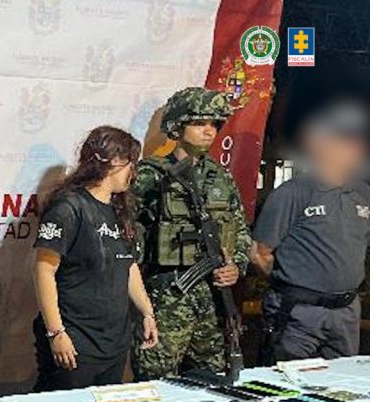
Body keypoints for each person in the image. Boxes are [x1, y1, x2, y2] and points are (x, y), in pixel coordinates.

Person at [132, 87, 252, 380]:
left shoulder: (221, 178)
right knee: (156, 379)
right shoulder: (151, 174)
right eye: (199, 123)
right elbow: (127, 235)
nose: (209, 131)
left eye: (213, 124)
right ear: (177, 125)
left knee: (211, 380)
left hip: (212, 299)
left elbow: (239, 231)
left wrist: (235, 266)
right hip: (167, 294)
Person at [34, 127, 159, 391]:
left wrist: (147, 312)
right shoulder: (68, 207)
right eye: (131, 164)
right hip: (75, 342)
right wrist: (56, 332)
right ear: (114, 162)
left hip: (114, 344)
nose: (133, 172)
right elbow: (44, 270)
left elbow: (129, 265)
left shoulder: (121, 208)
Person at [252, 99, 370, 360]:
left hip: (346, 313)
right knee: (284, 386)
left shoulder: (363, 194)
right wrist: (291, 286)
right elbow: (260, 253)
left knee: (342, 389)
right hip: (298, 314)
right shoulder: (293, 193)